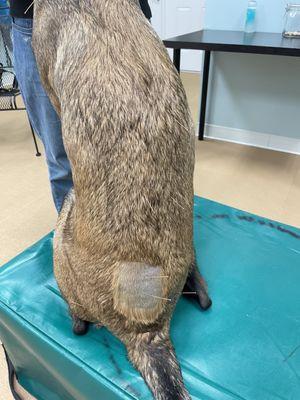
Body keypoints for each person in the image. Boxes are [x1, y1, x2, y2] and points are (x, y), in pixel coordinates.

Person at [9, 0, 152, 212]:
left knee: (137, 144)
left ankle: (131, 226)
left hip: (120, 16)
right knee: (62, 158)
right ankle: (81, 237)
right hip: (37, 20)